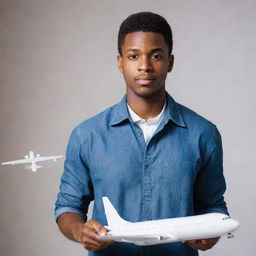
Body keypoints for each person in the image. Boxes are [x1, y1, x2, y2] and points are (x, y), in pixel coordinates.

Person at [55, 12, 228, 256]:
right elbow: (68, 207)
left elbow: (213, 205)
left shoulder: (203, 134)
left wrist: (211, 233)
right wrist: (79, 231)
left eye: (156, 56)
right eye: (133, 56)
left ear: (170, 61)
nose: (144, 66)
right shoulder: (87, 135)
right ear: (120, 62)